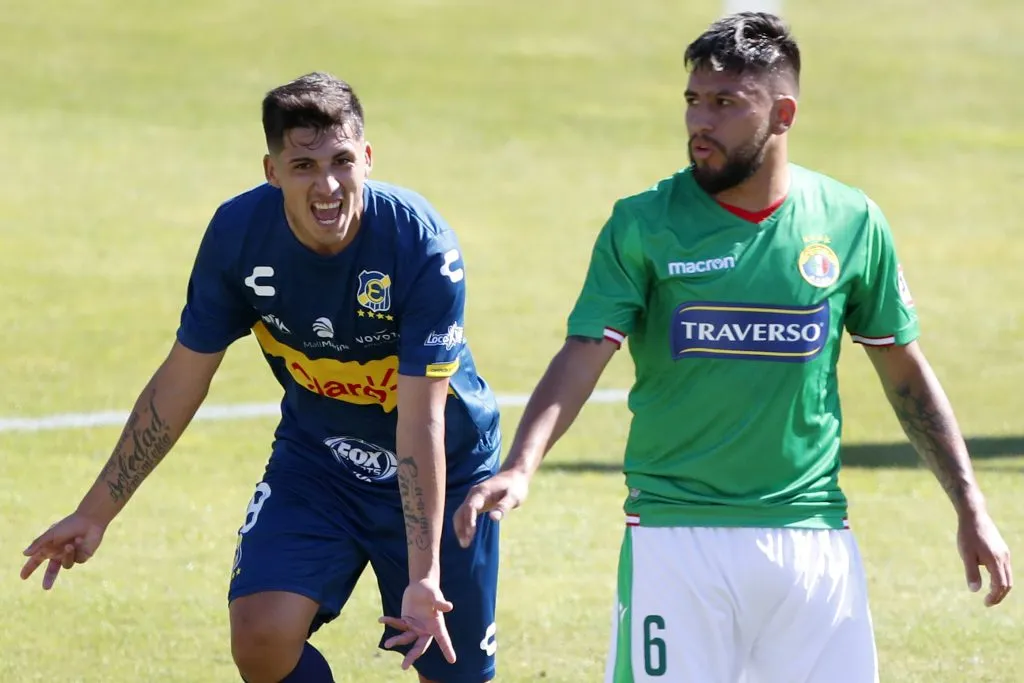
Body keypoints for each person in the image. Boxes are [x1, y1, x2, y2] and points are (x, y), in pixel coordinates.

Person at [454, 12, 1012, 683]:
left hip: (814, 542)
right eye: (693, 100)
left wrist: (970, 506)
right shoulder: (643, 222)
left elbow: (906, 376)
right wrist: (521, 465)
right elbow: (581, 353)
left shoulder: (850, 221)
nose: (699, 122)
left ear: (782, 113)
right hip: (674, 538)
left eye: (725, 104)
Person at [21, 72, 502, 683]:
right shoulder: (239, 236)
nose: (327, 185)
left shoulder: (420, 244)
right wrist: (95, 513)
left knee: (448, 668)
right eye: (303, 165)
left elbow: (422, 418)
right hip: (320, 462)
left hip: (445, 468)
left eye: (342, 161)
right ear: (272, 171)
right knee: (260, 638)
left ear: (369, 160)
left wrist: (423, 573)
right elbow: (179, 381)